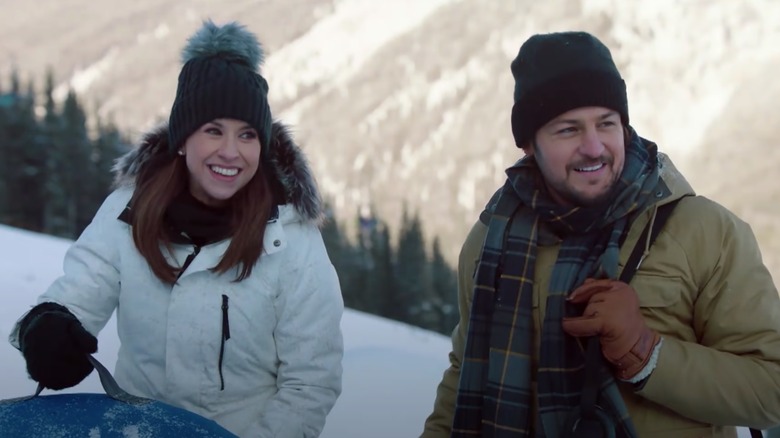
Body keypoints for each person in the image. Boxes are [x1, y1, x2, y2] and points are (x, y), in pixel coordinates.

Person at [421, 31, 780, 438]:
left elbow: (771, 389)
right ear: (528, 145)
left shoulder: (705, 232)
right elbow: (464, 373)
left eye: (606, 124)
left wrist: (645, 353)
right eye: (568, 129)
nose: (594, 147)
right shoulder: (491, 240)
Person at [8, 20, 344, 438]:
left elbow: (311, 383)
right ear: (183, 138)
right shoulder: (129, 211)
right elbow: (77, 292)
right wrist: (48, 327)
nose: (230, 151)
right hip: (135, 428)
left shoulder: (291, 239)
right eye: (213, 130)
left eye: (247, 135)